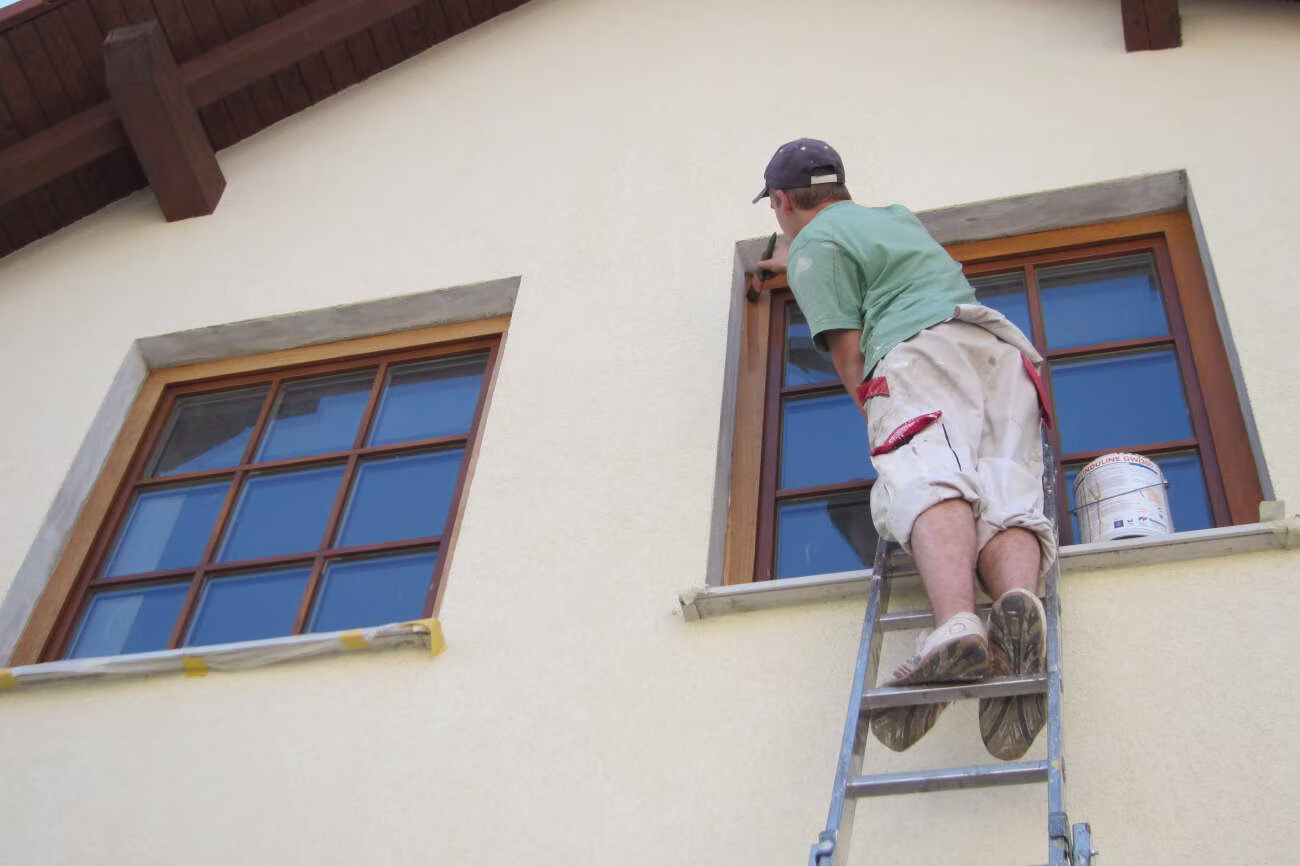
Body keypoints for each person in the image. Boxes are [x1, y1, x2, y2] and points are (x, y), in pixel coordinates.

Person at [753, 138, 1056, 760]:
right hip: (999, 352)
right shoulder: (893, 218)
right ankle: (1016, 604)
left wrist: (875, 412)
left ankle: (956, 625)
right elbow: (849, 246)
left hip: (920, 352)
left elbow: (848, 354)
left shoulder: (814, 246)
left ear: (781, 200)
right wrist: (794, 254)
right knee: (1003, 491)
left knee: (927, 475)